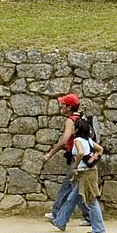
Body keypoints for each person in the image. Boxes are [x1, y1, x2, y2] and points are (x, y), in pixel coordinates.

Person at [52, 112, 107, 233]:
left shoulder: (77, 140)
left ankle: (99, 229)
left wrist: (75, 166)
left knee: (91, 200)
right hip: (87, 173)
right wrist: (93, 158)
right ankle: (60, 221)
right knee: (73, 197)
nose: (71, 128)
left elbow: (80, 153)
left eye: (73, 127)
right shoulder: (88, 140)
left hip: (84, 174)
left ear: (77, 129)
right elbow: (100, 150)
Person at [40, 92, 82, 226]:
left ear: (69, 107)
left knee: (67, 185)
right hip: (82, 157)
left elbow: (64, 141)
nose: (61, 106)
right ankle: (88, 216)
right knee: (77, 187)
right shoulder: (81, 118)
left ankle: (56, 213)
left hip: (76, 157)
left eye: (63, 104)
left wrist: (49, 154)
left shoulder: (70, 120)